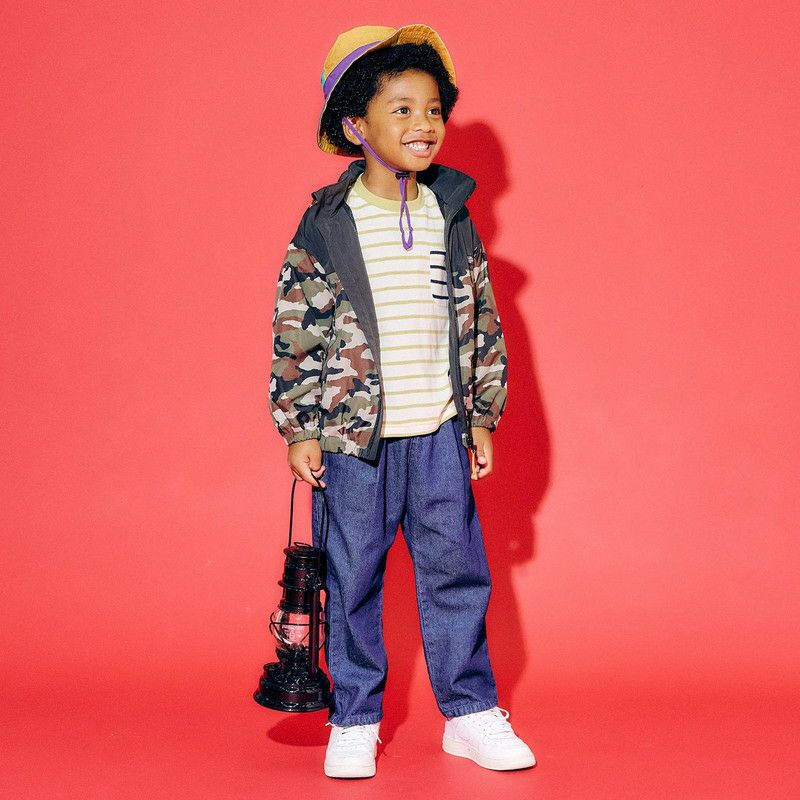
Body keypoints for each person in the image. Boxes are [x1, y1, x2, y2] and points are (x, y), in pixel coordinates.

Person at [268, 23, 536, 779]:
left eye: (433, 110)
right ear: (356, 125)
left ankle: (470, 711)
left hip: (441, 431)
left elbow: (480, 317)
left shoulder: (453, 214)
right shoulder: (327, 224)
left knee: (456, 570)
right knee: (352, 576)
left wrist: (481, 412)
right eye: (402, 109)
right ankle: (354, 717)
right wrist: (300, 427)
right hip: (354, 441)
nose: (424, 124)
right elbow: (296, 329)